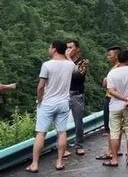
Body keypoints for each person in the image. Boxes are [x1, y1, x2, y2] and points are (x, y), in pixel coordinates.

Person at [25, 41, 77, 173]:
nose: (49, 49)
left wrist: (40, 100)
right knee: (62, 132)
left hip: (48, 103)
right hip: (63, 103)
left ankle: (35, 164)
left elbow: (41, 86)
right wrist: (67, 55)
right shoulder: (70, 65)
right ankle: (59, 162)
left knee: (41, 133)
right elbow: (75, 69)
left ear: (54, 49)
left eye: (50, 47)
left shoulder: (47, 65)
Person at [103, 50, 128, 167]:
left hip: (115, 106)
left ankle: (114, 159)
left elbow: (110, 90)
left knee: (114, 132)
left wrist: (123, 98)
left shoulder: (112, 73)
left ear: (118, 59)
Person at [96, 45, 122, 161]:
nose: (108, 57)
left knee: (111, 127)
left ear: (116, 56)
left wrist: (106, 80)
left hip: (111, 98)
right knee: (117, 127)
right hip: (120, 100)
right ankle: (117, 149)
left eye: (109, 55)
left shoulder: (115, 69)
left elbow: (106, 83)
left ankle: (110, 152)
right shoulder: (124, 67)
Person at [63, 39, 88, 157]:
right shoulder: (62, 61)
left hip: (77, 94)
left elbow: (79, 74)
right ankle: (63, 147)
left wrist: (68, 59)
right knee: (61, 121)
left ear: (77, 49)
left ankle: (79, 145)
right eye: (66, 47)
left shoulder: (83, 62)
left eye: (70, 47)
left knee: (78, 122)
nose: (68, 50)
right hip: (63, 94)